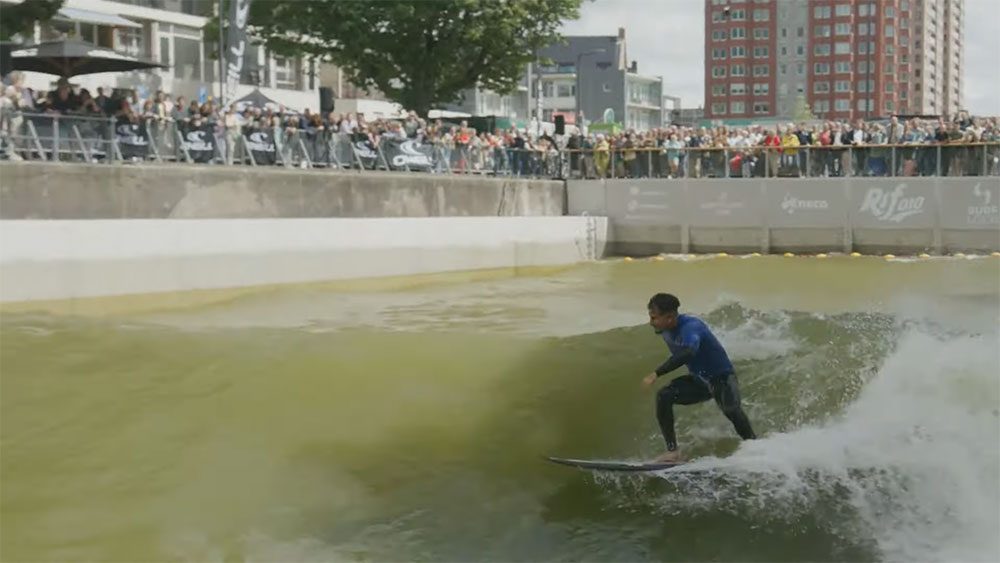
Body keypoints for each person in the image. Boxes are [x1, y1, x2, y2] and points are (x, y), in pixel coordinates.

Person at [642, 293, 756, 462]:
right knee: (664, 396)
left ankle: (755, 447)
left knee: (731, 410)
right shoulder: (665, 330)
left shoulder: (691, 327)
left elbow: (689, 352)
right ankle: (673, 452)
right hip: (700, 381)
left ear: (670, 317)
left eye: (654, 318)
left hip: (722, 378)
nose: (651, 322)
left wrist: (656, 373)